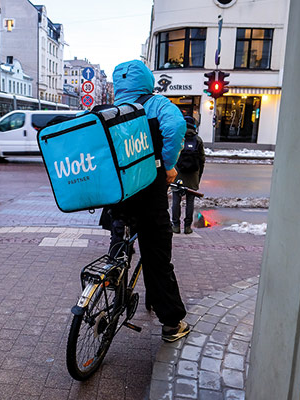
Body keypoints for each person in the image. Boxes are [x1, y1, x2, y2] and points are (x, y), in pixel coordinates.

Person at [105, 60, 189, 342]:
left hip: (118, 195)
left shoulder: (108, 110)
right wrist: (167, 165)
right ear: (147, 80)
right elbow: (177, 126)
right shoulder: (157, 105)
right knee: (157, 259)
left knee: (120, 243)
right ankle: (171, 324)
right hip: (149, 194)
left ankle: (111, 282)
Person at [171, 116, 206, 234]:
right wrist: (198, 177)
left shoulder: (178, 138)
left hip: (178, 174)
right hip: (193, 176)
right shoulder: (198, 140)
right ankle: (187, 227)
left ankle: (175, 226)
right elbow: (202, 160)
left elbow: (171, 156)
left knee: (176, 200)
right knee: (190, 202)